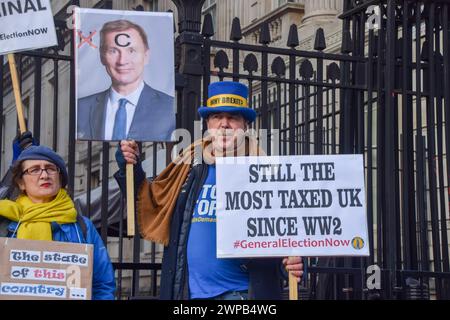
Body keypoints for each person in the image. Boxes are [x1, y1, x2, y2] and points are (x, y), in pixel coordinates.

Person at [115, 81, 303, 300]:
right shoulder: (187, 168)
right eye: (217, 117)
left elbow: (291, 231)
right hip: (190, 295)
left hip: (242, 294)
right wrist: (130, 165)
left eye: (233, 117)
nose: (224, 124)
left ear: (246, 126)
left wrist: (295, 262)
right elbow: (150, 200)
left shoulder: (266, 172)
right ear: (208, 124)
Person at [0, 139, 116, 300]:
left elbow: (102, 285)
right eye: (34, 170)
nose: (44, 175)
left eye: (50, 169)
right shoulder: (5, 222)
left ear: (60, 179)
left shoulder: (82, 226)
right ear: (21, 183)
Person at [77, 19, 175, 142]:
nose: (122, 61)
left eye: (131, 51)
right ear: (102, 57)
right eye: (113, 51)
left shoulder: (168, 107)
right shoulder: (82, 108)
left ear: (146, 56)